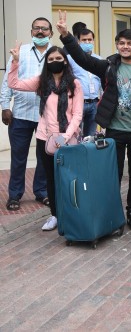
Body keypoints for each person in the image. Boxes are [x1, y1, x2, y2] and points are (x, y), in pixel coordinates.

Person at [57, 10, 131, 231]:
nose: (125, 47)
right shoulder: (108, 66)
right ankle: (113, 215)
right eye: (122, 43)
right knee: (111, 175)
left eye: (130, 43)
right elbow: (83, 59)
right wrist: (66, 35)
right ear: (117, 45)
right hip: (113, 131)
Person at [8, 44, 83, 230]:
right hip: (45, 138)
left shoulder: (75, 84)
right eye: (51, 60)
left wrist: (63, 138)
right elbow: (14, 84)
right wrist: (15, 62)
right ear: (46, 63)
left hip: (67, 139)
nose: (55, 62)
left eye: (58, 59)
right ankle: (55, 215)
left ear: (65, 61)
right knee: (50, 177)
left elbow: (77, 115)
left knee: (68, 177)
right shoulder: (41, 82)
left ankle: (72, 213)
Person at [1, 17, 51, 212]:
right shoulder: (19, 53)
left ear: (50, 33)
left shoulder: (56, 54)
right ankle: (14, 195)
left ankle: (41, 191)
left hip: (46, 116)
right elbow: (8, 80)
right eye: (36, 28)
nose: (40, 32)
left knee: (43, 156)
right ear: (31, 32)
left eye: (44, 29)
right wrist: (5, 106)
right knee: (18, 157)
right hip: (20, 114)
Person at [67, 28, 103, 137]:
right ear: (78, 42)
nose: (87, 42)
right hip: (78, 103)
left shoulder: (99, 59)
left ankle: (88, 154)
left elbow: (103, 82)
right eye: (84, 40)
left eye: (90, 40)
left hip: (95, 103)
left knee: (90, 137)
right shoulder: (70, 59)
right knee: (75, 134)